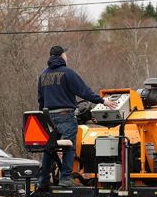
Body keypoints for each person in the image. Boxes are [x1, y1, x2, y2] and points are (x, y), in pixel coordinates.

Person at [37, 45, 117, 188]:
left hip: (48, 117)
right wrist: (102, 101)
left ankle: (43, 180)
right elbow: (84, 91)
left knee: (49, 148)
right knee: (69, 146)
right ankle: (66, 178)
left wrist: (44, 117)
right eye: (65, 55)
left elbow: (41, 99)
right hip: (65, 116)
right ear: (62, 56)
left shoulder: (43, 75)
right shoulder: (67, 73)